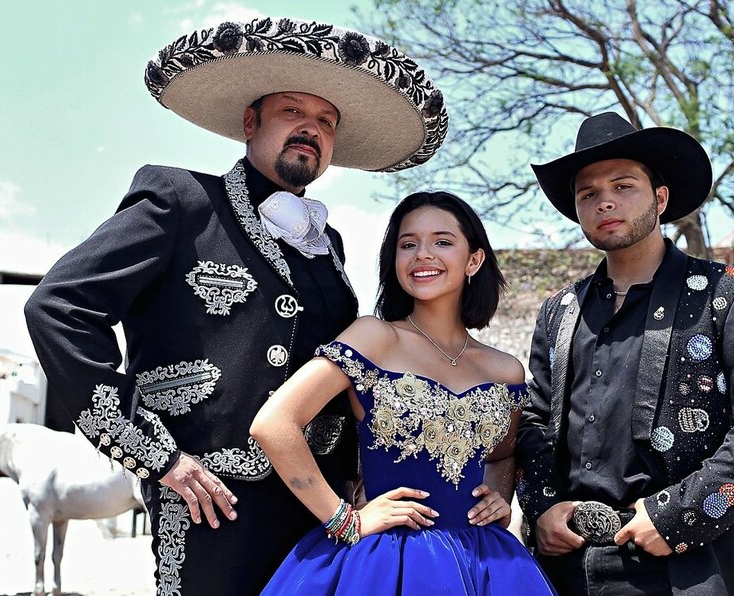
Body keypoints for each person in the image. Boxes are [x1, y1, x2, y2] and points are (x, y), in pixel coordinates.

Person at [23, 16, 447, 596]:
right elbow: (58, 308)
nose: (310, 128)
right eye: (292, 111)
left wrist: (358, 477)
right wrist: (156, 456)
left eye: (326, 120)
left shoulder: (330, 244)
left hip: (319, 507)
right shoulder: (181, 200)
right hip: (209, 501)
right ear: (250, 122)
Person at [515, 112, 734, 595]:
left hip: (688, 564)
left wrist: (677, 516)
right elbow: (532, 421)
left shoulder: (730, 294)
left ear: (660, 198)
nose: (605, 201)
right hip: (566, 568)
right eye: (588, 194)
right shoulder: (559, 312)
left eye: (623, 185)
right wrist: (542, 507)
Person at [251, 191, 557, 594]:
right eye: (408, 244)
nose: (422, 254)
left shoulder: (505, 369)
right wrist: (343, 518)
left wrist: (499, 498)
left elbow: (501, 454)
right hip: (385, 563)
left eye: (442, 242)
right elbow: (274, 423)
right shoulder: (374, 337)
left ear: (474, 260)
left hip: (485, 565)